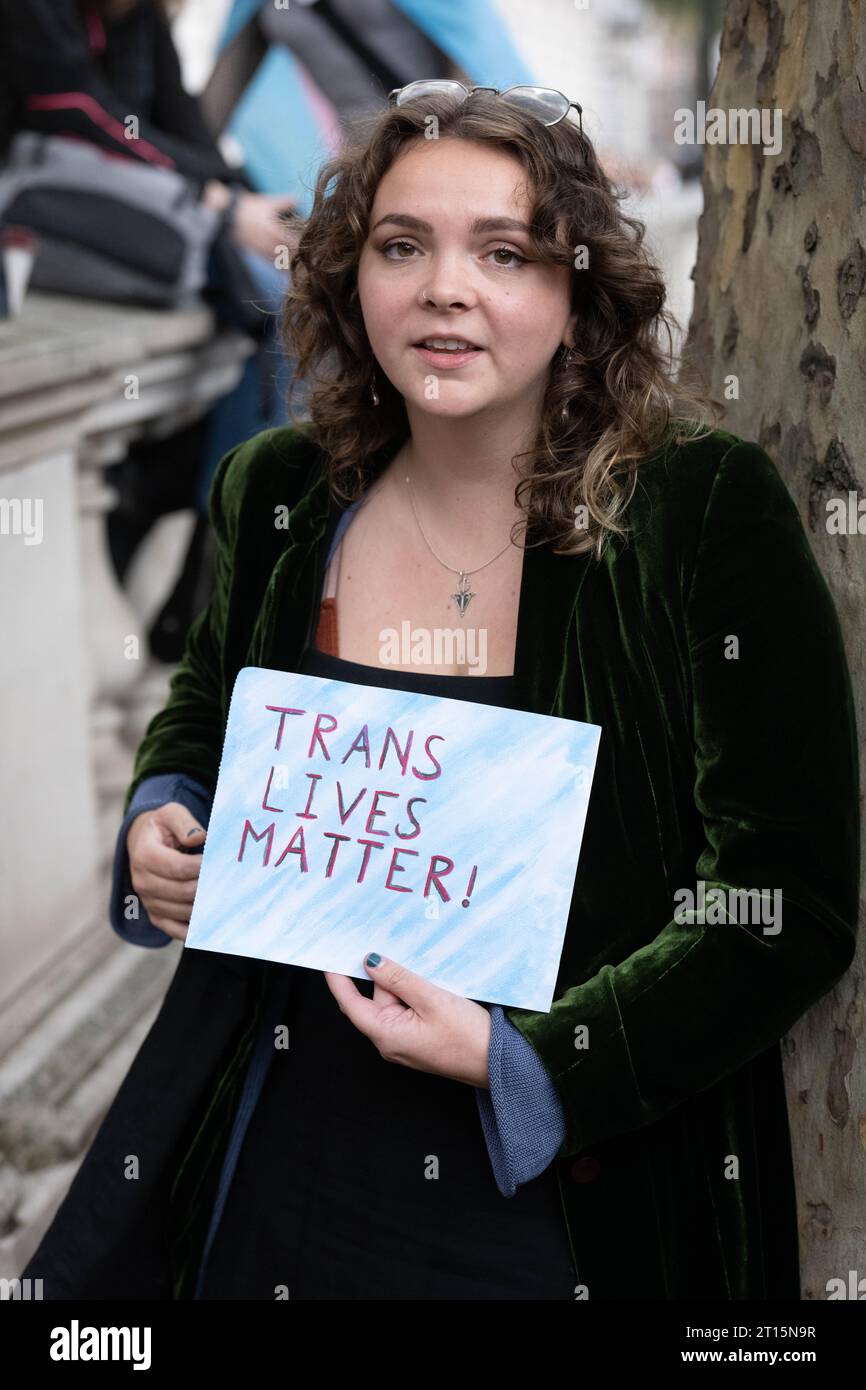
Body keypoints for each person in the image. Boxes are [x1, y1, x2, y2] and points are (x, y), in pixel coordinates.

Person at [22, 81, 860, 1301]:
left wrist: (533, 1064)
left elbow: (786, 896)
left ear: (577, 291)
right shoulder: (279, 486)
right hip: (274, 1141)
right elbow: (208, 694)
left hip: (558, 1197)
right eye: (399, 245)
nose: (443, 289)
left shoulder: (698, 510)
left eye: (503, 251)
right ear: (348, 278)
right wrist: (165, 804)